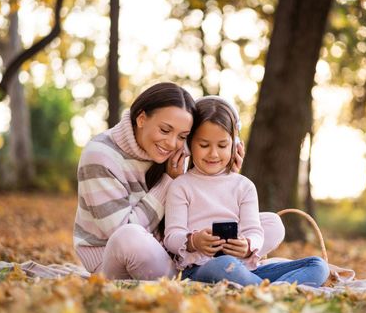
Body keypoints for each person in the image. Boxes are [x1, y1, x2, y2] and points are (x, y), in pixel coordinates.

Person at [73, 82, 285, 280]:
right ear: (141, 119)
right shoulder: (100, 155)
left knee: (271, 224)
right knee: (129, 236)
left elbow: (190, 212)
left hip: (173, 256)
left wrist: (224, 179)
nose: (172, 143)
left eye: (182, 136)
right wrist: (167, 183)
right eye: (165, 130)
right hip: (117, 257)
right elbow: (117, 234)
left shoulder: (172, 153)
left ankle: (212, 270)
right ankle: (218, 272)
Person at [164, 97, 329, 287]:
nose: (213, 154)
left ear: (234, 145)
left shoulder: (244, 186)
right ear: (189, 145)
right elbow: (172, 237)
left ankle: (269, 289)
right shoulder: (181, 186)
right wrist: (194, 241)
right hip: (200, 268)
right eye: (204, 145)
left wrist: (248, 245)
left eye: (222, 145)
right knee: (225, 264)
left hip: (244, 268)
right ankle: (275, 289)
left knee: (318, 265)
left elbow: (254, 231)